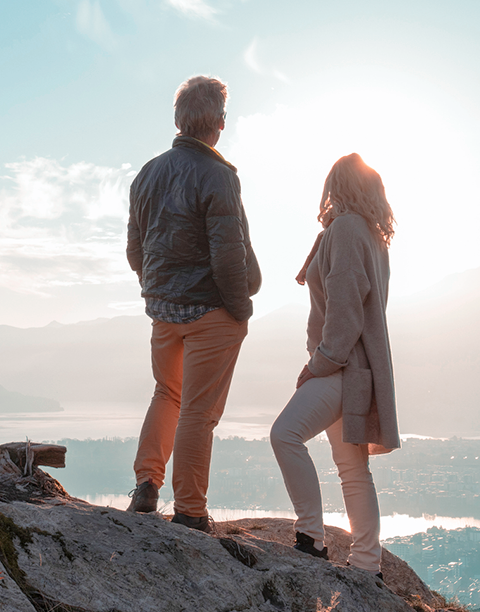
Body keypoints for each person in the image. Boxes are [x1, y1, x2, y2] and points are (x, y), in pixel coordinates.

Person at [124, 75, 261, 532]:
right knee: (198, 413)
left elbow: (135, 251)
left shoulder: (147, 173)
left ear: (179, 120)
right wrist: (240, 310)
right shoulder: (219, 176)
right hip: (210, 312)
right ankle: (190, 512)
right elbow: (228, 255)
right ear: (220, 123)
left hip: (163, 312)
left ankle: (146, 484)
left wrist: (157, 288)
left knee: (167, 393)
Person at [270, 153, 399, 576]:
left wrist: (321, 362)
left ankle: (310, 538)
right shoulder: (373, 237)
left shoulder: (344, 230)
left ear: (336, 187)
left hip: (342, 367)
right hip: (363, 370)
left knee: (285, 435)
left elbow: (345, 310)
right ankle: (367, 564)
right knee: (352, 470)